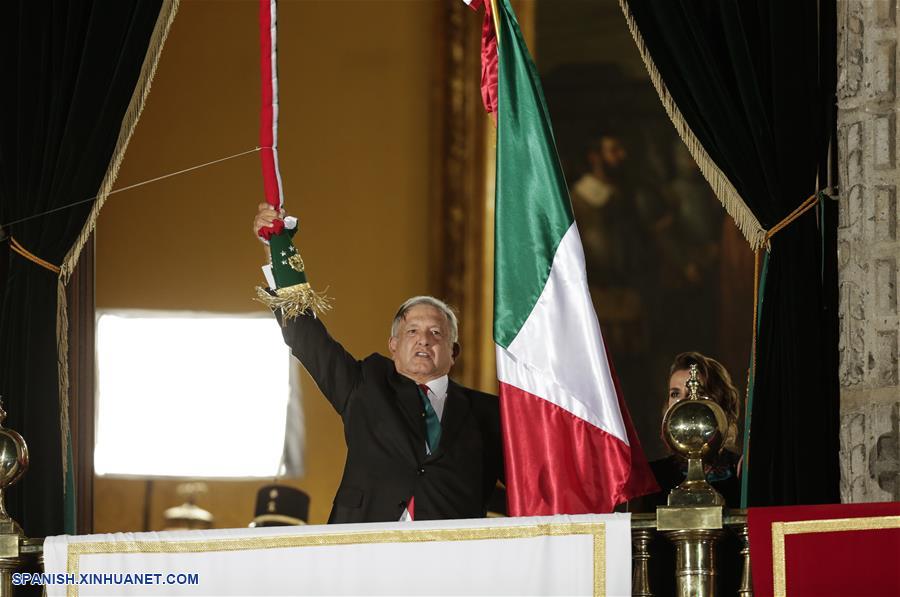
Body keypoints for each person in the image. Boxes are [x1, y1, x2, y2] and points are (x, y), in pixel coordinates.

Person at [253, 205, 504, 524]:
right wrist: (276, 248)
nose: (423, 340)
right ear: (393, 346)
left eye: (436, 333)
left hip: (452, 558)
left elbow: (532, 487)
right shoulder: (365, 385)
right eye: (412, 331)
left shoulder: (489, 413)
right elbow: (306, 337)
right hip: (362, 547)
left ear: (453, 352)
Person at [635, 351, 742, 510]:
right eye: (675, 394)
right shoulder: (651, 478)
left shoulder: (740, 473)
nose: (684, 403)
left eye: (698, 392)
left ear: (721, 404)